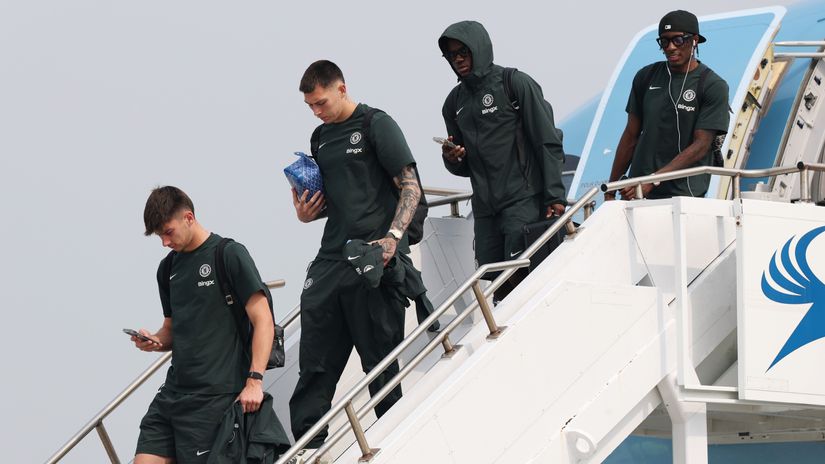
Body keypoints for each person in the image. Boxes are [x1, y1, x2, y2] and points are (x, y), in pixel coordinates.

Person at [288, 60, 422, 454]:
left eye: (321, 102)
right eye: (310, 106)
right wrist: (308, 212)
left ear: (342, 89)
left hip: (373, 254)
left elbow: (410, 186)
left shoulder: (376, 124)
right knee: (315, 356)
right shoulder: (320, 137)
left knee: (379, 359)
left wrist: (393, 238)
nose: (317, 111)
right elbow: (342, 197)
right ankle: (310, 447)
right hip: (331, 257)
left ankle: (397, 442)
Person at [133, 186, 283, 463]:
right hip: (173, 394)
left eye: (168, 232)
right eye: (159, 236)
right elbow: (171, 330)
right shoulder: (167, 269)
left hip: (214, 398)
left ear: (188, 218)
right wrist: (154, 341)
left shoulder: (229, 254)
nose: (164, 242)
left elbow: (264, 321)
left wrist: (255, 382)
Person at [438, 21, 567, 302]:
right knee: (496, 282)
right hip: (485, 210)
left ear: (479, 49)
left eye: (463, 51)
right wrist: (452, 158)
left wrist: (554, 196)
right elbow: (463, 164)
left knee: (523, 276)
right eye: (451, 55)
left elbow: (548, 141)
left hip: (522, 200)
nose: (457, 58)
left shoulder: (514, 83)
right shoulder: (453, 103)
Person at [606, 10, 730, 201]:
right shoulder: (645, 76)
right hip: (638, 192)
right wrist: (611, 190)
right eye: (664, 41)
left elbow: (701, 145)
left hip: (683, 196)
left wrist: (654, 180)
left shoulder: (712, 85)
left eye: (678, 40)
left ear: (694, 40)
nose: (670, 47)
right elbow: (630, 136)